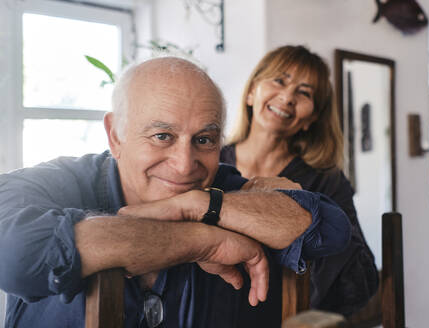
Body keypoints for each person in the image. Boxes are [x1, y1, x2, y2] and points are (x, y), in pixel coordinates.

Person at [0, 57, 352, 328]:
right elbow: (15, 255)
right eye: (162, 136)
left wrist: (201, 205)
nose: (185, 165)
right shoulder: (56, 182)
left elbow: (330, 230)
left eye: (204, 140)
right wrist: (202, 241)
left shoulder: (219, 190)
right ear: (116, 136)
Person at [221, 45, 378, 317]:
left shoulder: (326, 180)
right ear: (251, 92)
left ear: (312, 119)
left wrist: (308, 219)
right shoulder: (210, 163)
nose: (287, 97)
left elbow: (361, 283)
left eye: (304, 92)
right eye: (279, 80)